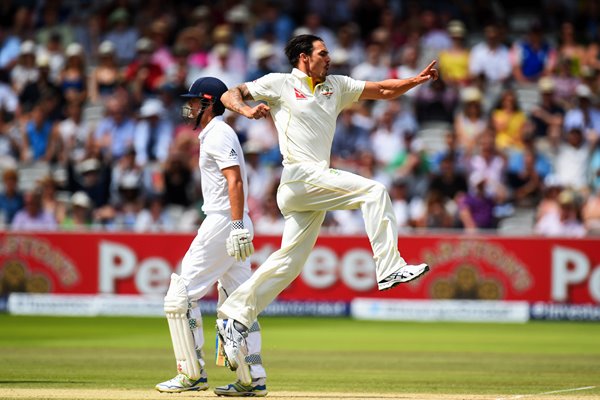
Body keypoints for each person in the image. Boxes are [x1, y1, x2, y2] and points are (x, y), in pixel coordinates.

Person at [215, 34, 436, 380]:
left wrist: (415, 81)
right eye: (323, 53)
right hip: (300, 177)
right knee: (375, 191)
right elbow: (232, 92)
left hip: (311, 189)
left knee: (290, 262)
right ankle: (390, 267)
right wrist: (246, 111)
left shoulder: (336, 85)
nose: (329, 58)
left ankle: (235, 317)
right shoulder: (279, 83)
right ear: (304, 57)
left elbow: (384, 90)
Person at [154, 77, 267, 397]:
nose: (188, 107)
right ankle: (252, 378)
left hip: (222, 221)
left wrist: (234, 226)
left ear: (209, 103)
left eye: (194, 101)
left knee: (179, 296)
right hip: (232, 220)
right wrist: (239, 223)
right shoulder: (217, 133)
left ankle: (190, 373)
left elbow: (235, 182)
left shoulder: (217, 134)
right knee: (238, 302)